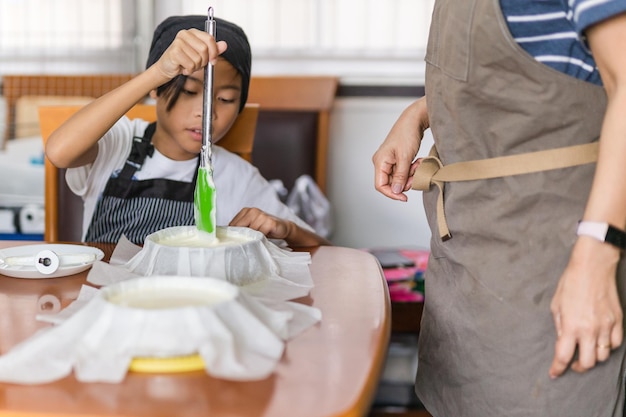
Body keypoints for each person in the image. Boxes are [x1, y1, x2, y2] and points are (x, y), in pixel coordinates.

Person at [372, 1, 626, 416]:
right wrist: (421, 112)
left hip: (552, 264)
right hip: (469, 268)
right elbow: (540, 74)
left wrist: (596, 260)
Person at [45, 15, 330, 248]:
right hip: (107, 305)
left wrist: (287, 228)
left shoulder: (236, 176)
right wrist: (158, 72)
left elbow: (322, 249)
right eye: (190, 91)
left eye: (226, 99)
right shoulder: (118, 143)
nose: (206, 112)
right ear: (155, 89)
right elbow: (59, 151)